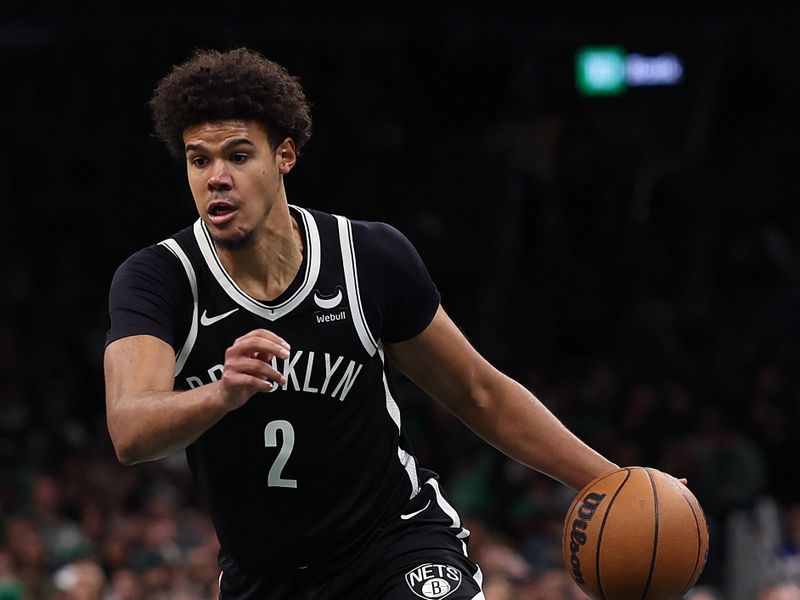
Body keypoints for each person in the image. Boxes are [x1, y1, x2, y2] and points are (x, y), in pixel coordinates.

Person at [103, 47, 619, 599]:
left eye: (238, 155)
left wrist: (609, 481)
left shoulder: (368, 257)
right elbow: (130, 430)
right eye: (199, 160)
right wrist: (220, 395)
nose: (217, 178)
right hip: (265, 579)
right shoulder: (159, 277)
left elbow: (478, 391)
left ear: (284, 156)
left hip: (392, 546)